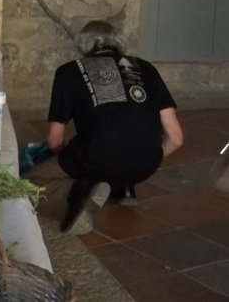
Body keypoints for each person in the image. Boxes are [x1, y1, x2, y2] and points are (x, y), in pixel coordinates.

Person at [25, 20, 184, 235]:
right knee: (119, 152)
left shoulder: (69, 72)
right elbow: (176, 138)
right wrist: (146, 156)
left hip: (97, 157)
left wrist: (70, 165)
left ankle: (77, 194)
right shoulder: (145, 67)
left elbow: (54, 139)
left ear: (83, 46)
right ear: (119, 43)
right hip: (146, 165)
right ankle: (121, 184)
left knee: (26, 184)